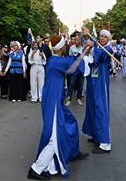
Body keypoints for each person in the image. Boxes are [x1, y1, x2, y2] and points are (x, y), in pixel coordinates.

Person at [27, 35, 91, 180]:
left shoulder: (54, 60)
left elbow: (70, 65)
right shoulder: (56, 61)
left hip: (55, 99)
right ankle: (36, 169)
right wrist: (85, 50)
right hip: (53, 101)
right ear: (61, 48)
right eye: (65, 45)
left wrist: (83, 51)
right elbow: (73, 67)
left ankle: (72, 152)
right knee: (53, 136)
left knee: (71, 123)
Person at [82, 29, 114, 154]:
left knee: (101, 108)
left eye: (105, 37)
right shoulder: (98, 47)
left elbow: (99, 55)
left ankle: (105, 143)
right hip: (92, 81)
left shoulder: (108, 49)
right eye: (100, 36)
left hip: (101, 82)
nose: (102, 38)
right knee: (92, 107)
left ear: (108, 39)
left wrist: (91, 44)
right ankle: (96, 134)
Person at [66, 33, 84, 106]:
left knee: (80, 84)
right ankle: (69, 98)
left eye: (77, 40)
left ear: (80, 40)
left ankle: (78, 98)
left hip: (81, 69)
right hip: (74, 69)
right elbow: (70, 58)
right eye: (75, 40)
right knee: (71, 84)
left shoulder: (83, 48)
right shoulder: (72, 48)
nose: (75, 41)